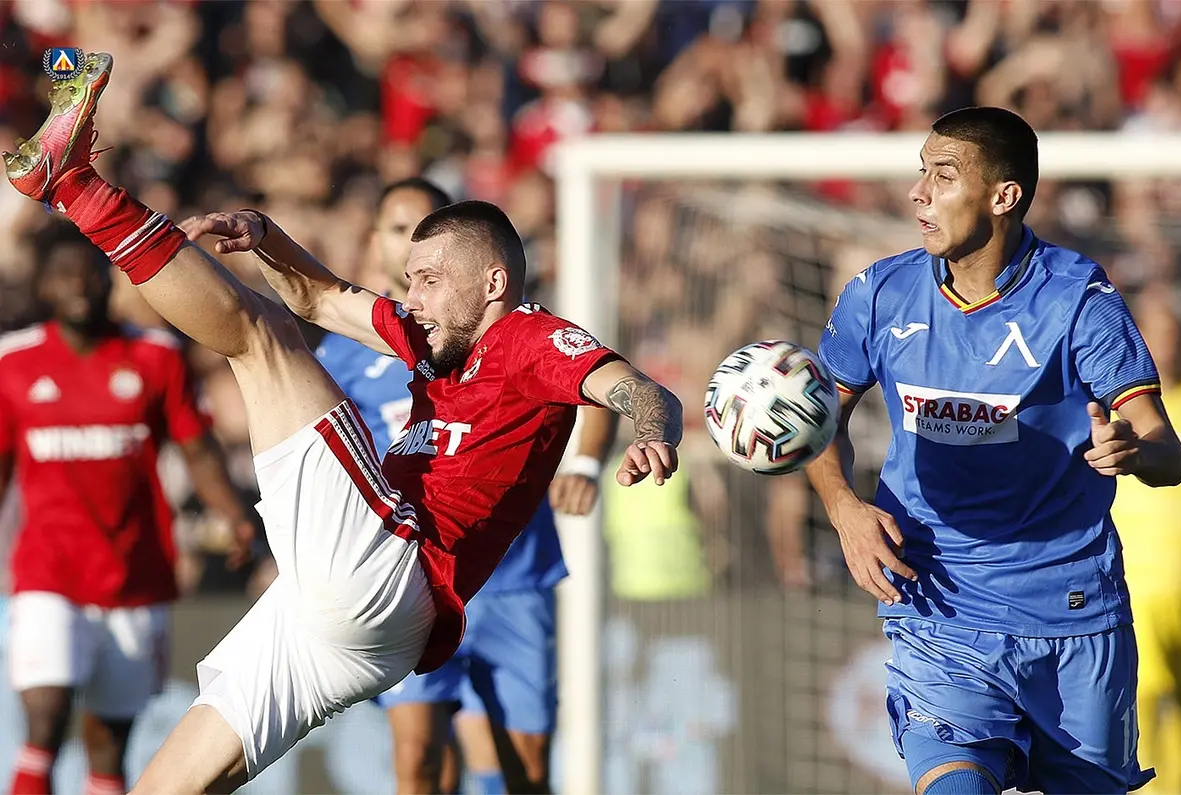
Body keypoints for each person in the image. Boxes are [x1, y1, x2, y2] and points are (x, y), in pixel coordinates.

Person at [3, 52, 682, 794]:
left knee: (262, 339)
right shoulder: (431, 336)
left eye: (430, 279)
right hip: (355, 626)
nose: (411, 296)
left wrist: (654, 430)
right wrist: (264, 234)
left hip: (394, 567)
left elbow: (636, 387)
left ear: (492, 282)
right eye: (410, 278)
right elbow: (321, 298)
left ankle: (72, 185)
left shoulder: (529, 336)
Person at [807, 105, 1181, 795]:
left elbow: (1168, 452)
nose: (919, 193)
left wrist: (1132, 451)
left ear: (1003, 196)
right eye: (921, 172)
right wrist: (844, 508)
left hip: (1072, 614)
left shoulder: (1077, 299)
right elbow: (818, 417)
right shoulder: (880, 293)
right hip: (939, 609)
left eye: (943, 176)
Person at [316, 176, 617, 794]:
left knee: (521, 772)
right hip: (414, 572)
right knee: (421, 756)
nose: (415, 242)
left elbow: (597, 388)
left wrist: (586, 463)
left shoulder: (513, 334)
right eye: (400, 230)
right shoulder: (348, 352)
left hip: (513, 575)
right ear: (378, 243)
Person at [0, 221, 255, 795]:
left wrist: (235, 515)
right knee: (45, 718)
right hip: (47, 572)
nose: (79, 284)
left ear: (107, 278)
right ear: (42, 286)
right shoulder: (12, 362)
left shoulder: (155, 356)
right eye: (63, 274)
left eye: (89, 272)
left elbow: (197, 450)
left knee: (109, 746)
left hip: (135, 574)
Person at [1109, 284, 1181, 795]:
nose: (1166, 347)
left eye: (1174, 335)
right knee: (1144, 707)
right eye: (1155, 335)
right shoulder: (1113, 420)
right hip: (1139, 593)